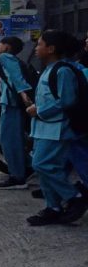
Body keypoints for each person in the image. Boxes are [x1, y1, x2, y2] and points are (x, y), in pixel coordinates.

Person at [25, 30, 88, 225]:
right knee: (48, 168)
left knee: (41, 165)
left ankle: (74, 197)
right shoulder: (49, 69)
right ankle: (52, 206)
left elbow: (66, 101)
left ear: (51, 49)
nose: (36, 49)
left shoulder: (63, 70)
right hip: (44, 128)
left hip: (56, 129)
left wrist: (40, 110)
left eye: (40, 44)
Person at [0, 36, 33, 190]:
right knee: (3, 137)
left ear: (7, 47)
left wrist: (23, 94)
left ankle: (18, 177)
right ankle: (28, 166)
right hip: (9, 104)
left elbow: (16, 76)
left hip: (12, 104)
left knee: (10, 141)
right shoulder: (12, 59)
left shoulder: (5, 57)